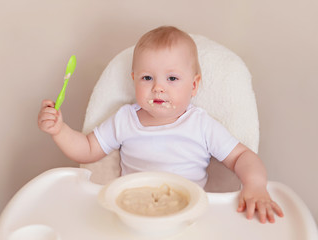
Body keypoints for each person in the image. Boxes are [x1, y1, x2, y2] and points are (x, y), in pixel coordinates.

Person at [38, 26, 284, 223]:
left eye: (172, 78)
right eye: (147, 78)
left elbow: (242, 156)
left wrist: (255, 185)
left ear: (194, 86)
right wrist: (59, 130)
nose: (158, 87)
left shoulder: (201, 125)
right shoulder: (125, 120)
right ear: (134, 80)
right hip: (131, 213)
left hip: (187, 216)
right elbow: (88, 149)